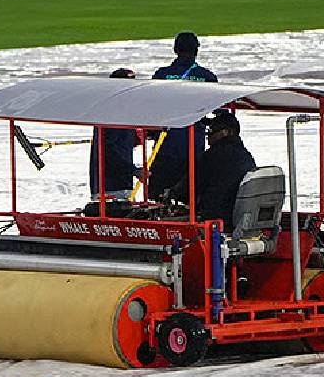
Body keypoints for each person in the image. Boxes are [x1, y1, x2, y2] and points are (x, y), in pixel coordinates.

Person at [149, 31, 218, 197]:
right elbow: (219, 112)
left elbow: (150, 108)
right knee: (190, 197)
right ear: (196, 51)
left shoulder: (161, 75)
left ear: (175, 50)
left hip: (165, 146)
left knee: (157, 197)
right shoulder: (206, 77)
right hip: (194, 148)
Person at [171, 109, 256, 229]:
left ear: (226, 132)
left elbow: (188, 188)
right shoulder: (245, 155)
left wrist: (173, 194)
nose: (208, 136)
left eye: (212, 131)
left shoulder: (213, 155)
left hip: (215, 219)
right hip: (236, 217)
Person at [90, 68, 141, 200]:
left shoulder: (122, 110)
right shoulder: (113, 112)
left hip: (121, 183)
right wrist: (133, 170)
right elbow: (108, 150)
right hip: (111, 187)